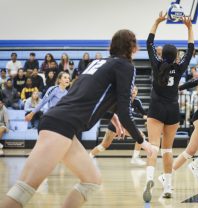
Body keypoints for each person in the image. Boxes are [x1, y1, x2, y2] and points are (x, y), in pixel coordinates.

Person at [0, 29, 155, 208]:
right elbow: (125, 114)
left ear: (111, 46)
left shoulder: (99, 62)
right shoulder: (126, 67)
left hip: (62, 125)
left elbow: (88, 96)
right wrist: (145, 143)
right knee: (23, 190)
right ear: (134, 48)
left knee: (91, 180)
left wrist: (111, 115)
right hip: (60, 126)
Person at [142, 12, 194, 202]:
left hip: (155, 109)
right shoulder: (179, 68)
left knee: (153, 148)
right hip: (172, 110)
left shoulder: (156, 64)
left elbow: (148, 43)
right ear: (176, 57)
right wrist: (189, 28)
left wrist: (156, 22)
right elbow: (191, 50)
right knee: (168, 150)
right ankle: (168, 187)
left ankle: (148, 179)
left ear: (162, 54)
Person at [89, 85, 148, 166]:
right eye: (132, 89)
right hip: (116, 123)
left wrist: (149, 117)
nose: (134, 91)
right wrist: (142, 116)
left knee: (141, 136)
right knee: (104, 145)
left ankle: (135, 158)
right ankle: (89, 157)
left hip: (126, 124)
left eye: (135, 90)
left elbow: (144, 112)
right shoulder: (124, 100)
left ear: (137, 92)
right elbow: (130, 113)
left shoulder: (137, 102)